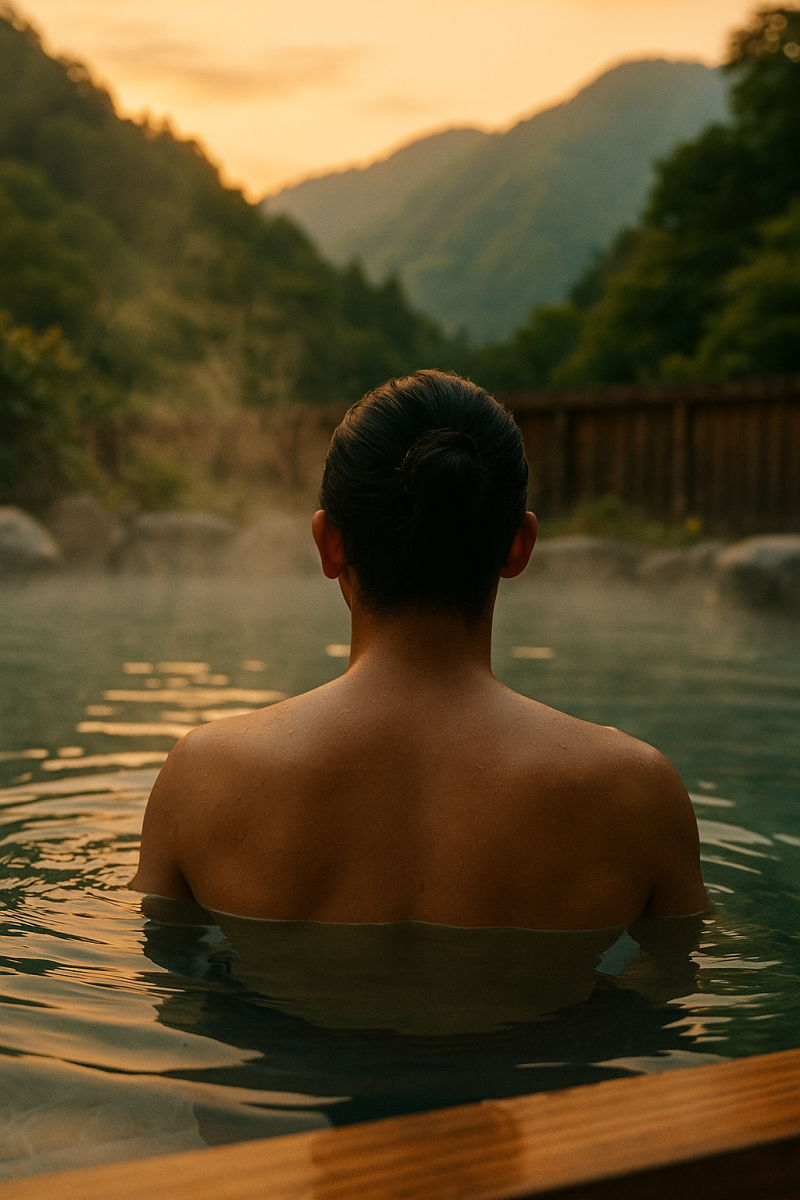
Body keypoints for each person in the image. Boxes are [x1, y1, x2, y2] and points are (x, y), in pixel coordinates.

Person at [130, 370, 708, 929]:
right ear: (519, 546)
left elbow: (167, 986)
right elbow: (678, 998)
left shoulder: (202, 778)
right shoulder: (636, 792)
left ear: (329, 543)